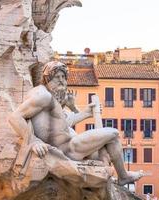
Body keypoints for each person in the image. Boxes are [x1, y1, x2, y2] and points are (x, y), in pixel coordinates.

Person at [9, 61, 142, 185]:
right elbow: (14, 117)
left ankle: (114, 178)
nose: (62, 80)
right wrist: (33, 141)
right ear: (47, 78)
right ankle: (123, 177)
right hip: (69, 148)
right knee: (113, 133)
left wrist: (85, 113)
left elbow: (59, 126)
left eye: (63, 77)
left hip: (69, 144)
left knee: (102, 152)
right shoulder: (43, 96)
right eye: (57, 77)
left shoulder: (46, 96)